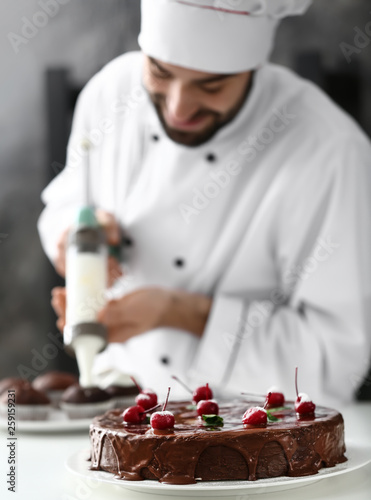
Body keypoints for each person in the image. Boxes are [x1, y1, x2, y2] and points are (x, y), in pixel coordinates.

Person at [38, 0, 371, 404]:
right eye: (159, 73)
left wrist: (179, 312)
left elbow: (335, 363)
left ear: (253, 68)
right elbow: (66, 200)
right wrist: (76, 237)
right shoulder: (110, 93)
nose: (179, 108)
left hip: (257, 424)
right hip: (123, 402)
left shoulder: (330, 151)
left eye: (210, 86)